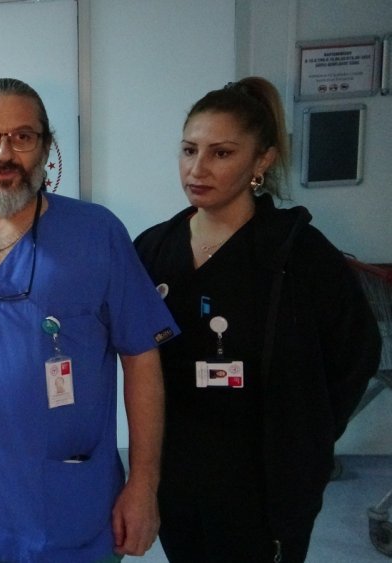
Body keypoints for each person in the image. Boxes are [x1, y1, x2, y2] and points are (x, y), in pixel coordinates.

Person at [0, 77, 178, 562]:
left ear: (46, 148)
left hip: (75, 495)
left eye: (23, 137)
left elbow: (141, 359)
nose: (4, 153)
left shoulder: (97, 234)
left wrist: (143, 483)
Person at [134, 76, 381, 562]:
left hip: (264, 483)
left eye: (221, 153)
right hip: (179, 474)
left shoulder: (297, 253)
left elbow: (357, 352)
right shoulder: (153, 250)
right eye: (189, 150)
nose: (197, 169)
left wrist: (305, 435)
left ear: (261, 161)